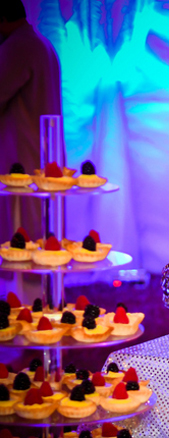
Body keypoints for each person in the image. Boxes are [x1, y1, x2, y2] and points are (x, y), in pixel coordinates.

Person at [0, 0, 63, 305]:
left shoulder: (17, 46)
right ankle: (38, 306)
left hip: (20, 162)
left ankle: (21, 315)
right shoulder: (42, 43)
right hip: (40, 158)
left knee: (19, 241)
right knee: (37, 237)